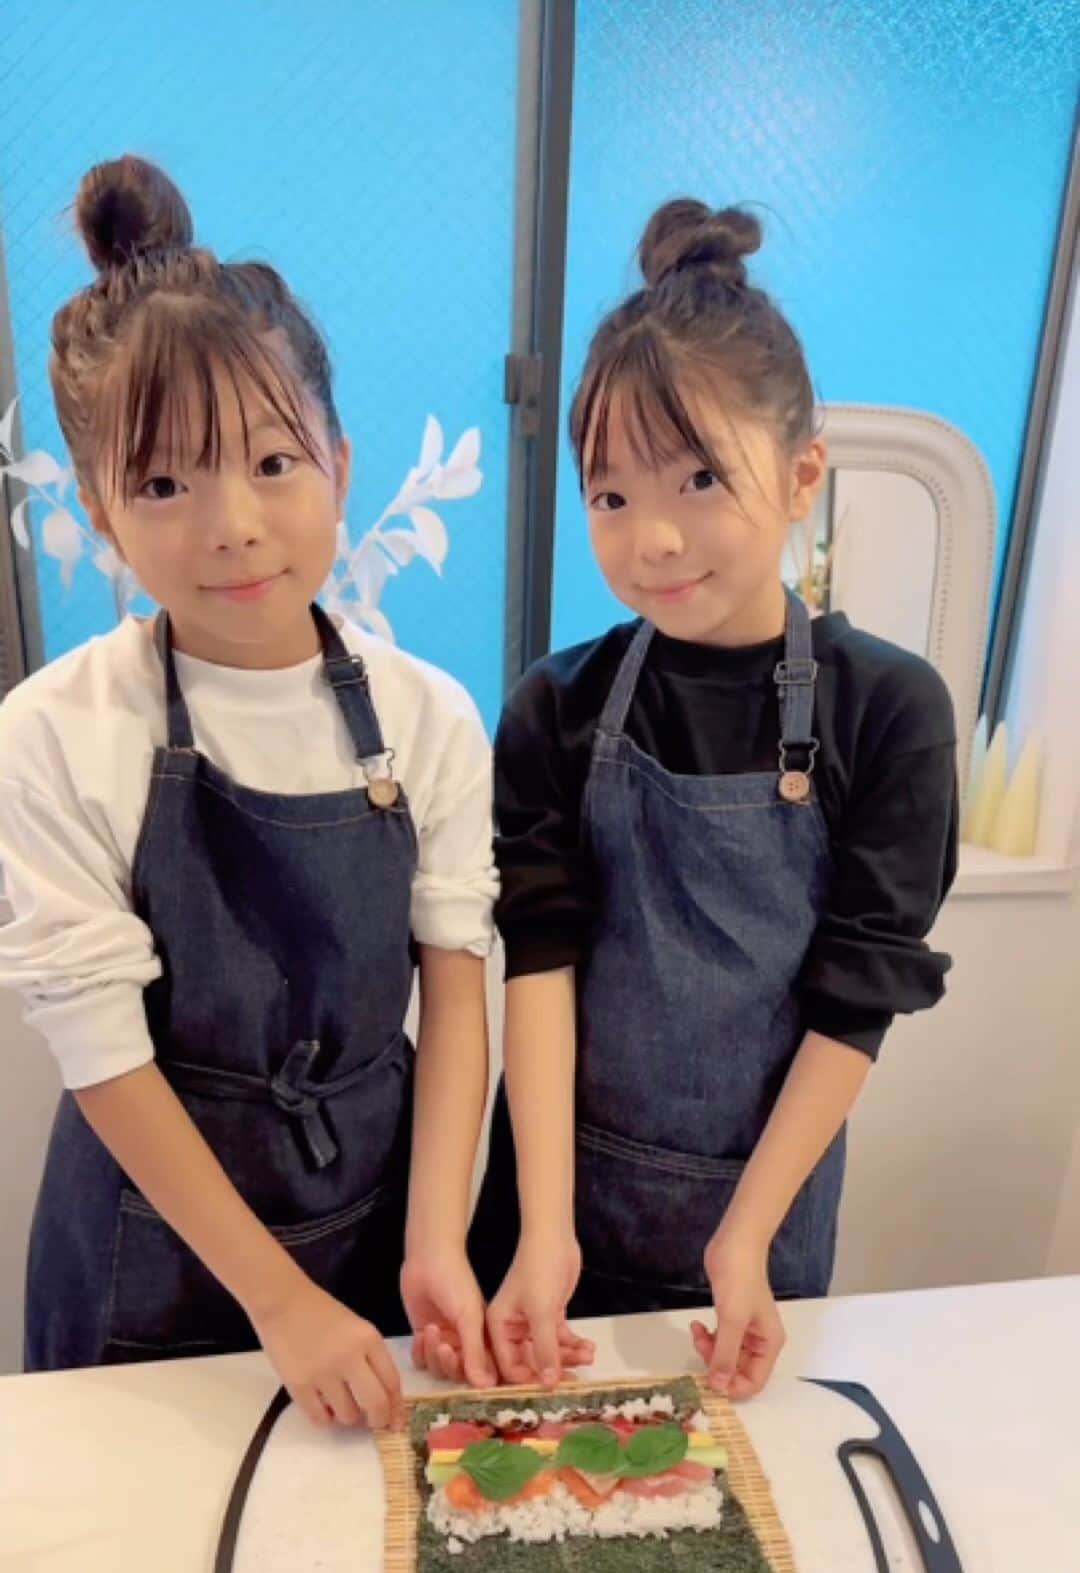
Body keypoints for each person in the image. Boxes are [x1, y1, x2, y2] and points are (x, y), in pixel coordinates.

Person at [0, 154, 515, 1424]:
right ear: (102, 516)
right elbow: (103, 1055)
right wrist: (276, 1301)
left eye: (274, 464)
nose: (230, 523)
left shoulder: (428, 716)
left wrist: (440, 1238)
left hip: (383, 1215)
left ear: (338, 463)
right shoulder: (56, 730)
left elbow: (454, 994)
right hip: (154, 1252)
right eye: (166, 483)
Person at [471, 197, 957, 1399]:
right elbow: (539, 962)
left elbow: (857, 998)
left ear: (801, 478)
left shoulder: (888, 711)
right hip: (553, 1209)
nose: (655, 540)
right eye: (611, 495)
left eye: (698, 479)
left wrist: (740, 1238)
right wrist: (543, 1227)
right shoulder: (556, 704)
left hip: (760, 1224)